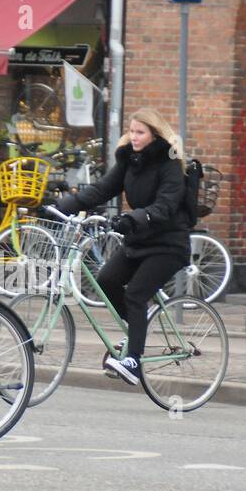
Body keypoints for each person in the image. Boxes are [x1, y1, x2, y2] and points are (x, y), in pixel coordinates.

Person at [54, 108, 190, 386]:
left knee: (136, 295)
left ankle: (134, 362)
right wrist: (67, 203)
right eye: (131, 131)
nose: (134, 137)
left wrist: (134, 218)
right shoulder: (130, 160)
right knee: (106, 281)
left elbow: (165, 206)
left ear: (155, 134)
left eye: (140, 132)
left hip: (168, 244)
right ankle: (137, 328)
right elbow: (103, 189)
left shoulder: (170, 164)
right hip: (139, 240)